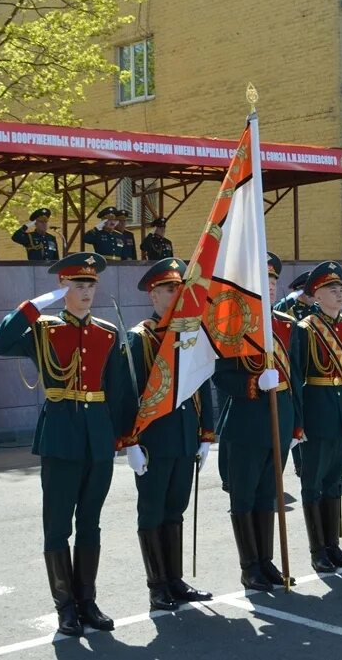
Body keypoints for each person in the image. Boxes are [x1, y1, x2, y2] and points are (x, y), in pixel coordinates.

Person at [0, 252, 131, 637]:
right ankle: (65, 607)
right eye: (77, 285)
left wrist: (126, 437)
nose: (85, 291)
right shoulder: (43, 328)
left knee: (91, 523)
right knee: (57, 526)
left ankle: (88, 602)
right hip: (61, 437)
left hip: (98, 439)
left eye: (90, 284)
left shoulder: (107, 332)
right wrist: (30, 308)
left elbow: (118, 391)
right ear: (63, 289)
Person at [116, 258, 215, 610]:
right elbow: (126, 394)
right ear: (152, 295)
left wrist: (206, 434)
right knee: (153, 511)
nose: (175, 295)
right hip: (154, 442)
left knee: (176, 510)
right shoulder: (139, 339)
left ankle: (175, 580)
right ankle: (157, 585)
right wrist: (130, 443)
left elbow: (204, 386)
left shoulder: (189, 333)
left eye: (178, 288)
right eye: (168, 289)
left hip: (186, 436)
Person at [213, 252, 301, 590]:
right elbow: (220, 377)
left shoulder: (284, 324)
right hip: (247, 424)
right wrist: (253, 384)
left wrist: (297, 423)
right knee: (244, 497)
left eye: (275, 280)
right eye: (264, 281)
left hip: (280, 421)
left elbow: (295, 379)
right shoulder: (235, 325)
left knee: (268, 496)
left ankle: (267, 563)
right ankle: (249, 566)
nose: (272, 286)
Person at [291, 261, 342, 573]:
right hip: (317, 412)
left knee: (335, 481)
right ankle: (317, 549)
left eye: (341, 288)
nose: (339, 292)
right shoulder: (305, 329)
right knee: (313, 483)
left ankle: (333, 546)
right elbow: (297, 377)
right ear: (316, 295)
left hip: (340, 413)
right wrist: (299, 421)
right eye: (331, 289)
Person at [273, 268, 314, 476]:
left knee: (307, 419)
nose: (312, 295)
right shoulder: (288, 306)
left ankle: (307, 459)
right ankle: (300, 462)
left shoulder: (314, 309)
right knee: (297, 417)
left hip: (311, 370)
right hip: (294, 369)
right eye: (308, 291)